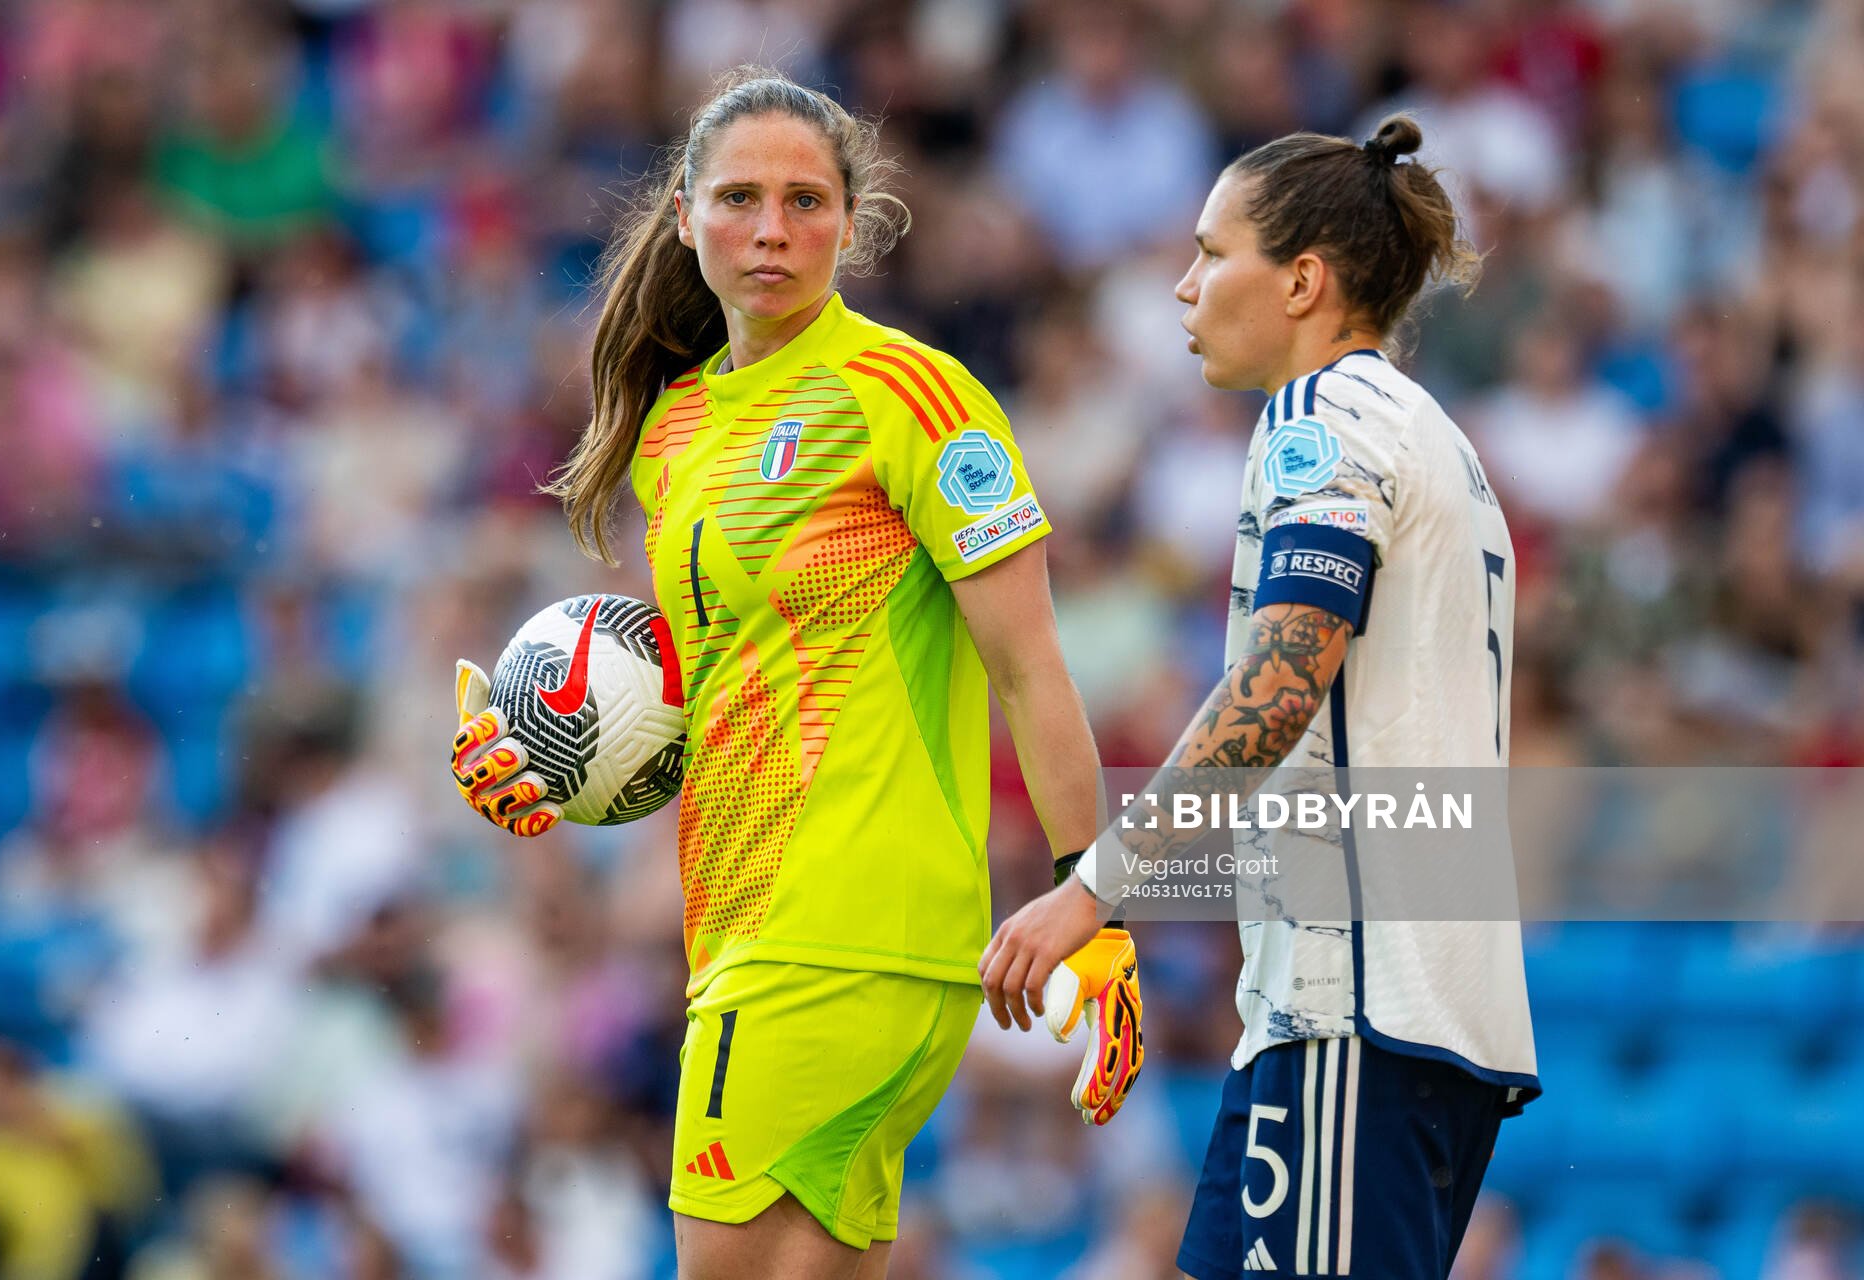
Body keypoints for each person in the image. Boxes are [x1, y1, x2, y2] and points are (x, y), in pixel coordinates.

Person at [448, 71, 1136, 1280]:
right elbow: (717, 701)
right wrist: (544, 753)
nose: (772, 229)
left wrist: (1097, 898)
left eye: (806, 200)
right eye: (741, 198)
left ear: (852, 222)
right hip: (751, 926)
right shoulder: (671, 434)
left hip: (839, 932)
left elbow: (1031, 667)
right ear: (684, 214)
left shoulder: (910, 397)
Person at [980, 116, 1540, 1279]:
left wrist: (1093, 887)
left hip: (1358, 1004)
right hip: (1373, 1003)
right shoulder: (1433, 434)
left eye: (1210, 253)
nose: (1183, 287)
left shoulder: (1322, 418)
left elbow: (1282, 681)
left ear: (1300, 282)